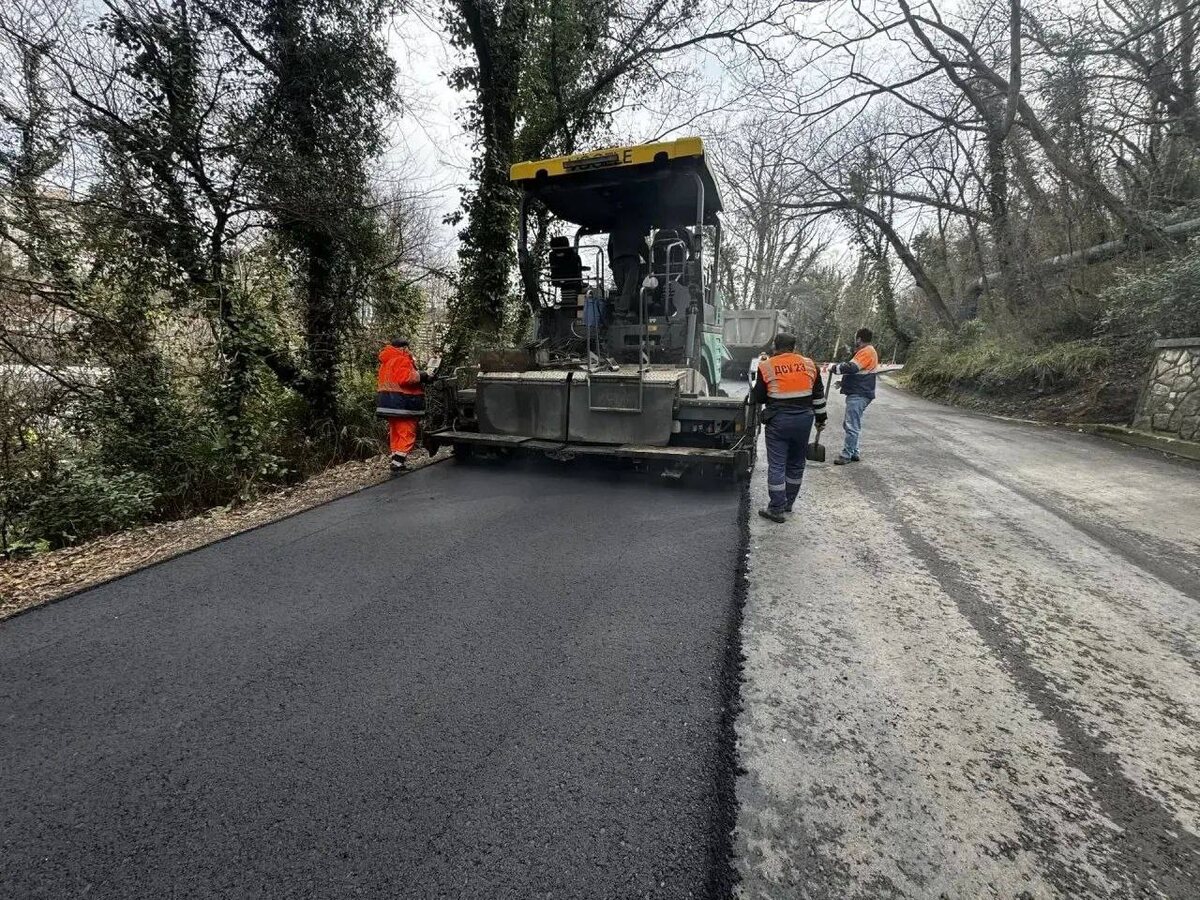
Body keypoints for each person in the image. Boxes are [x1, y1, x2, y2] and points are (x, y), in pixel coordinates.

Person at [750, 332, 827, 524]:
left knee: (777, 465)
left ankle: (776, 508)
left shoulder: (766, 366)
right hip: (804, 421)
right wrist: (821, 419)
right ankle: (788, 503)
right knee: (796, 463)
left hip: (779, 421)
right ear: (794, 347)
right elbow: (818, 396)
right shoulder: (810, 365)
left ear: (775, 346)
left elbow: (759, 397)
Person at [376, 338, 433, 471]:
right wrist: (423, 375)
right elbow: (405, 378)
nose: (409, 351)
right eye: (408, 348)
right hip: (403, 403)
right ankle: (398, 463)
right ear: (404, 348)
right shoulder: (402, 359)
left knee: (396, 432)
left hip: (388, 403)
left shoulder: (387, 361)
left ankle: (396, 460)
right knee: (407, 432)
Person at [827, 327, 880, 465]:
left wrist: (835, 368)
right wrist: (843, 382)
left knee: (851, 425)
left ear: (859, 339)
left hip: (859, 393)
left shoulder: (866, 351)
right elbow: (859, 372)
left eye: (856, 337)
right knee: (851, 423)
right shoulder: (867, 351)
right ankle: (854, 452)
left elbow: (852, 367)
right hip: (860, 391)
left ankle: (846, 455)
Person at [608, 216, 649, 318]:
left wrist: (611, 262)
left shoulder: (614, 230)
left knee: (622, 287)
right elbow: (642, 247)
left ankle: (626, 310)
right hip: (631, 259)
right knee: (629, 286)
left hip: (617, 260)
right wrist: (650, 262)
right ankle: (623, 311)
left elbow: (610, 247)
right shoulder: (635, 228)